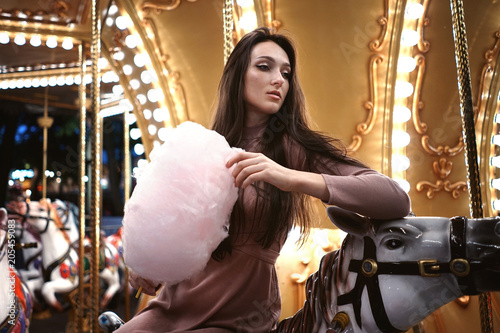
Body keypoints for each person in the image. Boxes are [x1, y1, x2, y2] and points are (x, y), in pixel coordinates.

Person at [116, 27, 410, 333]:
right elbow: (177, 232)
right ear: (238, 75)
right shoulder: (208, 147)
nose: (279, 80)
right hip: (173, 307)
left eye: (286, 72)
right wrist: (150, 268)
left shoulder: (292, 147)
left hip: (238, 316)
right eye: (264, 67)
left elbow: (395, 197)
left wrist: (290, 177)